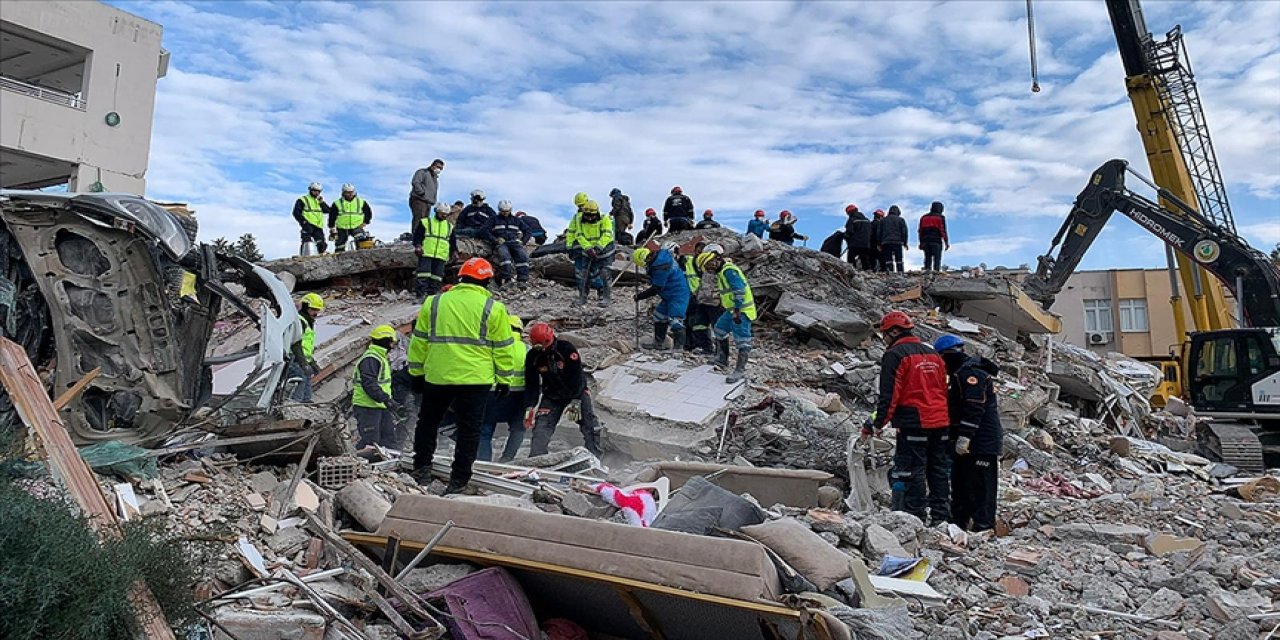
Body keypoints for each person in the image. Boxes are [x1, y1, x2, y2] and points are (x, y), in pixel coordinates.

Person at [406, 257, 517, 493]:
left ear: (461, 278)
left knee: (427, 423)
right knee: (469, 430)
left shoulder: (434, 303)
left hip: (438, 375)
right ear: (487, 281)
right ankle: (458, 481)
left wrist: (416, 372)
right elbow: (504, 348)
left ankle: (421, 468)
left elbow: (419, 342)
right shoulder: (494, 308)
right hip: (476, 380)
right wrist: (505, 379)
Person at [863, 311, 950, 524]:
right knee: (937, 471)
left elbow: (890, 394)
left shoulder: (895, 354)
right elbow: (942, 388)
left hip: (915, 422)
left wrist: (877, 423)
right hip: (941, 421)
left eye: (885, 335)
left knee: (913, 471)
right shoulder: (932, 354)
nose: (884, 340)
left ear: (894, 331)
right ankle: (941, 518)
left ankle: (915, 518)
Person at [934, 334, 1003, 532]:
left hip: (981, 442)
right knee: (962, 483)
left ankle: (983, 526)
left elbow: (974, 407)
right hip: (966, 441)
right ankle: (959, 523)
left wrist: (965, 436)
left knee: (981, 486)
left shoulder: (972, 374)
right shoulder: (958, 374)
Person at [523, 322, 603, 456]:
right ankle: (537, 459)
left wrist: (576, 400)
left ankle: (594, 456)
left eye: (543, 345)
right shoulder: (533, 356)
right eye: (537, 346)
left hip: (576, 392)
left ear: (549, 339)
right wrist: (529, 407)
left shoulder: (566, 349)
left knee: (590, 426)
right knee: (541, 429)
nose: (541, 349)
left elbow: (576, 376)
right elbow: (532, 384)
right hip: (552, 396)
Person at [697, 250, 755, 383]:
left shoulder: (729, 270)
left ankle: (739, 370)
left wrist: (737, 310)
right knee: (719, 330)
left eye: (709, 265)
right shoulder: (722, 272)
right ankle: (722, 359)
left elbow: (739, 290)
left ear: (715, 260)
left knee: (742, 341)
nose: (709, 269)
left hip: (742, 311)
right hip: (732, 310)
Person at [478, 315, 529, 462]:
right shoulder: (526, 349)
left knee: (485, 430)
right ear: (520, 330)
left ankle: (484, 461)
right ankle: (507, 458)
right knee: (518, 429)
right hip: (519, 396)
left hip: (493, 393)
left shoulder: (492, 346)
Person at [352, 325, 402, 449]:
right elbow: (369, 383)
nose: (392, 346)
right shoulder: (371, 358)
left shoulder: (379, 357)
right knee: (371, 442)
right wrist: (386, 399)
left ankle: (389, 466)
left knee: (389, 439)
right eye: (391, 342)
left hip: (379, 406)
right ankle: (362, 464)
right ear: (386, 341)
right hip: (367, 407)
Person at [633, 245, 691, 350]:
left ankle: (678, 349)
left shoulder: (660, 267)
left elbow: (656, 288)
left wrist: (639, 296)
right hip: (669, 294)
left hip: (677, 294)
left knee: (676, 320)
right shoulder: (662, 256)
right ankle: (659, 343)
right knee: (659, 315)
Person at [566, 200, 615, 306]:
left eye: (592, 216)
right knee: (584, 274)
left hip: (605, 249)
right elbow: (579, 235)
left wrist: (597, 248)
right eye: (587, 216)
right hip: (587, 250)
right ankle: (582, 298)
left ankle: (606, 297)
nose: (590, 218)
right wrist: (588, 248)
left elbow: (607, 235)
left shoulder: (604, 219)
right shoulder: (579, 220)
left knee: (604, 273)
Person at [682, 242, 719, 353]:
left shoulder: (715, 266)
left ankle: (718, 352)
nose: (700, 255)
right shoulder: (688, 261)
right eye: (698, 252)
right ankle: (697, 346)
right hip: (696, 298)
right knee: (694, 322)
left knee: (716, 326)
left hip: (713, 301)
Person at [486, 200, 532, 288]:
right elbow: (484, 231)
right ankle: (507, 280)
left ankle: (522, 280)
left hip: (514, 242)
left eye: (507, 211)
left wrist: (523, 241)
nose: (505, 213)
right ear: (499, 210)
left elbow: (528, 231)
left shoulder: (516, 220)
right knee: (505, 257)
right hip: (502, 243)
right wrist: (495, 239)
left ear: (510, 210)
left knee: (523, 256)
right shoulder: (493, 219)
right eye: (503, 211)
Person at [413, 202, 453, 298]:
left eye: (446, 214)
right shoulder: (426, 222)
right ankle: (421, 294)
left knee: (437, 276)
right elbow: (417, 236)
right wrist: (418, 246)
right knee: (423, 274)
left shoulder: (449, 226)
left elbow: (452, 241)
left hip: (441, 254)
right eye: (442, 213)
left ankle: (433, 295)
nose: (444, 216)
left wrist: (454, 252)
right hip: (427, 252)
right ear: (436, 212)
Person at [288, 293, 323, 402]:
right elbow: (296, 344)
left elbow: (305, 347)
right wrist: (303, 363)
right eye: (313, 309)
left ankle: (306, 404)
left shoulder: (307, 322)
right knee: (300, 380)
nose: (316, 313)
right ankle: (294, 406)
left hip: (301, 359)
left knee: (307, 379)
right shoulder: (300, 322)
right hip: (294, 359)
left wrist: (311, 362)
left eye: (317, 310)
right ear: (305, 307)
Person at [329, 183, 373, 252]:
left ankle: (361, 253)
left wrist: (366, 222)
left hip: (356, 225)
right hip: (342, 227)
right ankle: (339, 258)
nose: (350, 194)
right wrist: (332, 227)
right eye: (348, 193)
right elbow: (332, 216)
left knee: (360, 237)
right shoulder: (337, 203)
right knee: (340, 244)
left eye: (351, 192)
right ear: (343, 193)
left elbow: (368, 212)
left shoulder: (361, 202)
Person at [293, 182, 329, 255]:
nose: (316, 193)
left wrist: (322, 202)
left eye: (318, 191)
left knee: (321, 243)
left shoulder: (319, 201)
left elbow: (327, 210)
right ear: (310, 190)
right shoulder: (303, 199)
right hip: (307, 224)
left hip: (318, 225)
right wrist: (303, 221)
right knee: (307, 242)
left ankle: (321, 254)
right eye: (314, 190)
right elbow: (296, 212)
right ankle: (304, 255)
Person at [409, 159, 444, 233]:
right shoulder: (423, 172)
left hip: (428, 202)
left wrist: (433, 201)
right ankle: (415, 238)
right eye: (438, 167)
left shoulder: (435, 178)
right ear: (433, 165)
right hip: (419, 199)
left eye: (441, 168)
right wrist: (421, 193)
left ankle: (421, 237)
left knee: (425, 221)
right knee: (419, 219)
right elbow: (416, 182)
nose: (439, 170)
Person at [918, 201, 950, 271]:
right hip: (936, 241)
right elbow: (943, 231)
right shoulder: (940, 217)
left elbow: (920, 231)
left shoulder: (923, 217)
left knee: (927, 258)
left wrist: (921, 242)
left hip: (925, 241)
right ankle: (936, 273)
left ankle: (927, 273)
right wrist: (946, 242)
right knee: (937, 259)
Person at [844, 204, 874, 270]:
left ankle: (852, 272)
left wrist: (845, 236)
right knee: (865, 260)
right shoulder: (867, 220)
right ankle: (868, 272)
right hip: (866, 244)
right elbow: (871, 233)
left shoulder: (852, 220)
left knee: (851, 260)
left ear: (849, 213)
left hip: (854, 244)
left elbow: (849, 232)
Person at [879, 205, 908, 272]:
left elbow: (879, 232)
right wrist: (905, 242)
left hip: (886, 242)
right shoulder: (901, 220)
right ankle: (900, 272)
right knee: (899, 260)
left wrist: (879, 243)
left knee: (888, 260)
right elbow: (904, 232)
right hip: (897, 242)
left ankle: (890, 273)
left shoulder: (883, 220)